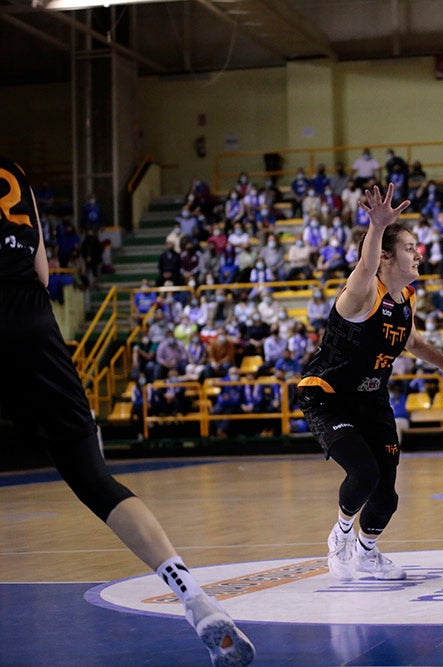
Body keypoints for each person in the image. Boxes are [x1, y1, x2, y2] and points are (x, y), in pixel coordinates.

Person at [0, 156, 254, 665]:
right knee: (95, 479)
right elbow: (43, 270)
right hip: (34, 328)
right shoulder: (15, 170)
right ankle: (193, 598)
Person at [297, 184, 443, 581]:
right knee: (363, 473)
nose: (418, 253)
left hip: (372, 400)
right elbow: (364, 268)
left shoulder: (406, 300)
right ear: (385, 256)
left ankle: (366, 553)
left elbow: (413, 342)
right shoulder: (361, 295)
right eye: (410, 247)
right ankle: (341, 534)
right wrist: (377, 227)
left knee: (388, 495)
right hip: (327, 396)